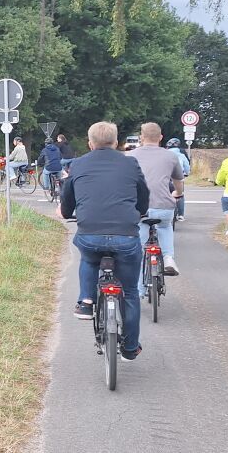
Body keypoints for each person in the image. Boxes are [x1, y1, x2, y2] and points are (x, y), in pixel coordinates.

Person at [60, 121, 149, 361]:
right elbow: (143, 196)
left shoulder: (77, 164)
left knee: (88, 259)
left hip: (90, 234)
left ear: (90, 143)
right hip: (126, 237)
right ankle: (130, 348)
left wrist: (68, 213)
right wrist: (140, 211)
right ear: (116, 142)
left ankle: (86, 301)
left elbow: (67, 200)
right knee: (129, 291)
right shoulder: (130, 163)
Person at [128, 123, 185, 278]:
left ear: (141, 137)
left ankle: (138, 289)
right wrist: (177, 193)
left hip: (139, 208)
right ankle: (168, 258)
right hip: (164, 206)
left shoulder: (130, 156)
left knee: (138, 248)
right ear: (161, 137)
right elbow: (179, 181)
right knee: (165, 227)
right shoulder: (171, 156)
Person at [167, 138, 191, 221]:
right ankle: (181, 215)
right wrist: (187, 173)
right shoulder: (181, 155)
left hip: (166, 177)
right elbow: (187, 167)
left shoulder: (164, 154)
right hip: (179, 177)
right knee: (180, 194)